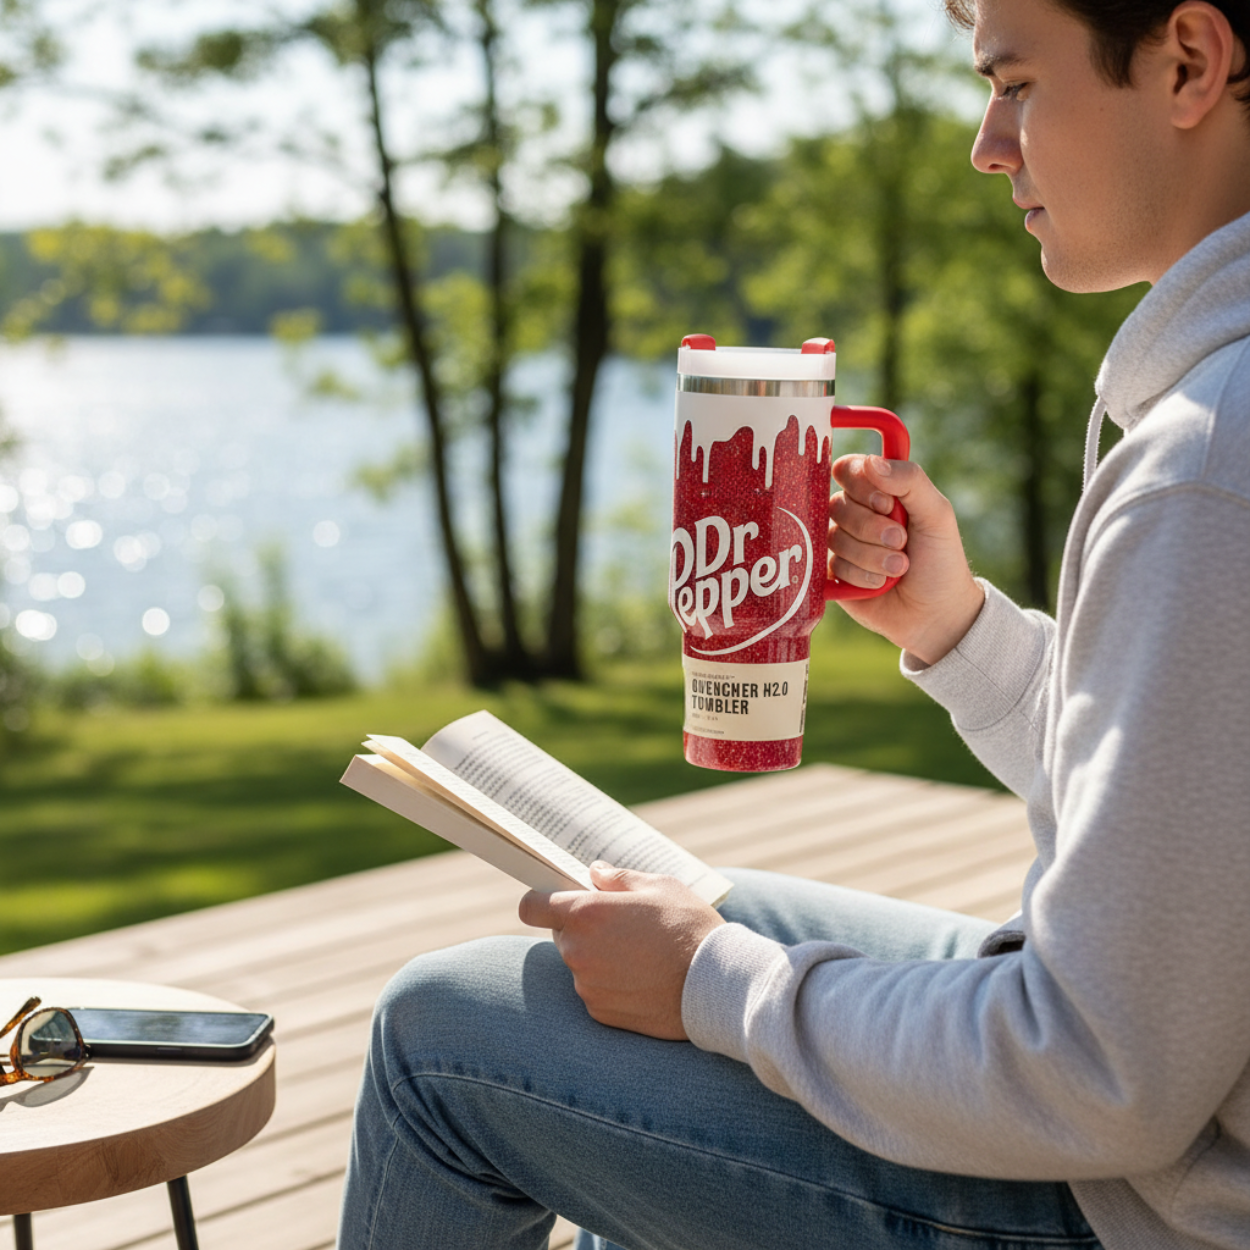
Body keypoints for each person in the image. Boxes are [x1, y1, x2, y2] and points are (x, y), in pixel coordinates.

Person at [337, 1, 1250, 1246]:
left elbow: (1095, 1073)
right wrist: (956, 626)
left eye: (1015, 82)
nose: (986, 143)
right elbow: (1187, 805)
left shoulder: (1207, 464)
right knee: (676, 919)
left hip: (1149, 1204)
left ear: (1186, 63)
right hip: (1161, 1093)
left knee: (446, 1029)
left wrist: (718, 983)